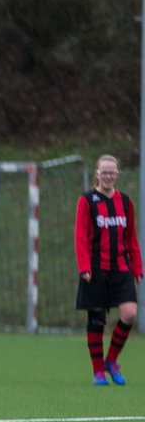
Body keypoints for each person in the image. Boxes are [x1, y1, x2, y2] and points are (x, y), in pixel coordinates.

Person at [75, 153, 141, 386]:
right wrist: (84, 266)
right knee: (97, 319)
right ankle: (98, 371)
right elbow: (80, 237)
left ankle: (111, 360)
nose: (108, 176)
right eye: (104, 172)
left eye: (112, 172)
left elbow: (131, 237)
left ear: (118, 174)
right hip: (95, 269)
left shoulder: (125, 202)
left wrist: (137, 266)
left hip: (120, 267)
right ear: (97, 174)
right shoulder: (87, 201)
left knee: (130, 312)